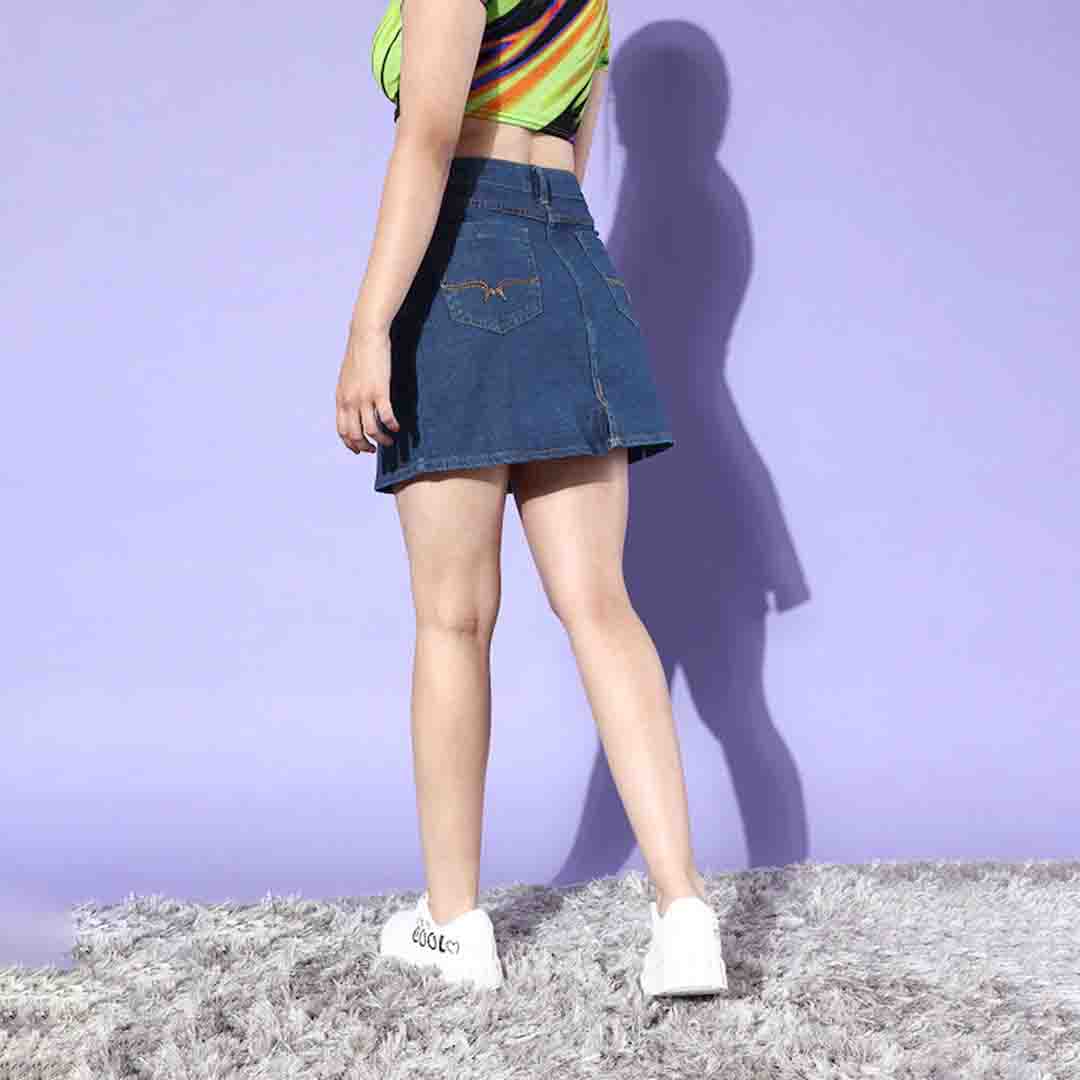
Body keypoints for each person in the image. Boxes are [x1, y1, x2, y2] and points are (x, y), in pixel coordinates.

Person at [336, 0, 727, 998]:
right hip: (572, 261)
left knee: (453, 619)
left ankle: (452, 924)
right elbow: (576, 159)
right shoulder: (591, 9)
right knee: (601, 605)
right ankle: (684, 914)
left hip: (464, 257)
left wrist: (371, 326)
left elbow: (429, 140)